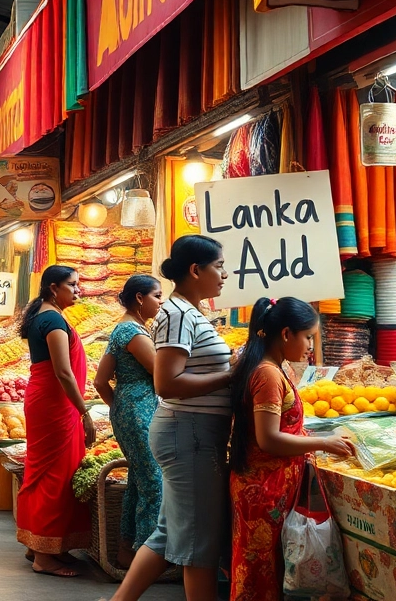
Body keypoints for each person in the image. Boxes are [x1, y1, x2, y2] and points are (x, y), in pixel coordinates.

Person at [113, 234, 234, 601]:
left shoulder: (188, 312)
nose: (225, 274)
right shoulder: (178, 314)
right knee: (199, 540)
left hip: (191, 432)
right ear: (196, 270)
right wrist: (233, 374)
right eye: (219, 266)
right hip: (188, 432)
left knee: (170, 532)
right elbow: (167, 383)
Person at [228, 297, 355, 601]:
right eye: (308, 336)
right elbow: (268, 438)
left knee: (266, 569)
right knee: (259, 574)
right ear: (286, 334)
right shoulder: (268, 374)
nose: (311, 345)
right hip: (263, 490)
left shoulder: (272, 367)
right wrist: (324, 442)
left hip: (268, 485)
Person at [16, 266, 94, 577]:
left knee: (46, 471)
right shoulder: (52, 320)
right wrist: (84, 412)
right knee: (54, 476)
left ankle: (41, 545)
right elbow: (63, 371)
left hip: (49, 401)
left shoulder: (46, 314)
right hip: (54, 404)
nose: (78, 290)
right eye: (72, 285)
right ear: (53, 288)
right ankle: (44, 558)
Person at [93, 274, 164, 570]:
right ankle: (148, 560)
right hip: (141, 414)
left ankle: (128, 551)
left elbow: (100, 381)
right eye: (157, 296)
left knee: (138, 481)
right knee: (155, 485)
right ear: (140, 298)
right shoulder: (134, 333)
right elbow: (162, 374)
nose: (160, 302)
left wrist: (120, 408)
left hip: (129, 412)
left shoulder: (122, 329)